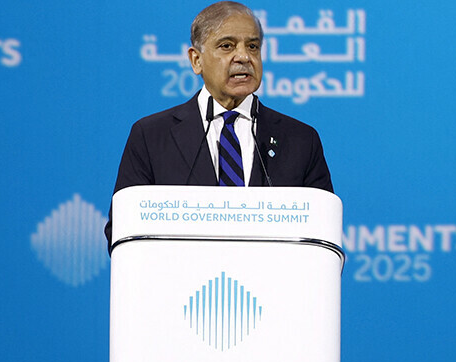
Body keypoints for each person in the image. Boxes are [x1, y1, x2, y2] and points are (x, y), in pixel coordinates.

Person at [105, 1, 333, 248]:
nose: (244, 57)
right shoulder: (151, 136)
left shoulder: (301, 140)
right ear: (196, 60)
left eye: (253, 46)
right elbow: (122, 231)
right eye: (227, 46)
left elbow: (322, 238)